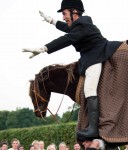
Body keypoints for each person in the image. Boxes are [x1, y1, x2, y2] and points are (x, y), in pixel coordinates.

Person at [22, 0, 122, 138]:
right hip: (90, 57)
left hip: (96, 56)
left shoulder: (83, 26)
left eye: (64, 13)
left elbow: (67, 39)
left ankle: (93, 128)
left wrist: (43, 49)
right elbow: (66, 28)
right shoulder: (79, 25)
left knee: (89, 90)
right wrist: (51, 20)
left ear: (75, 13)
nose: (63, 17)